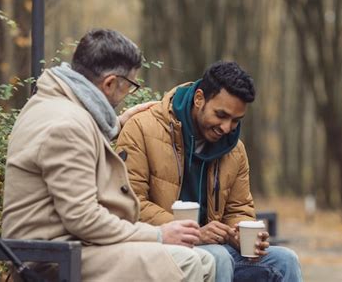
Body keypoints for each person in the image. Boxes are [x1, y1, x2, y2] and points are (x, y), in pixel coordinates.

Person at [1, 29, 216, 281]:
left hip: (67, 246)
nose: (127, 94)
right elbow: (84, 219)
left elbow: (77, 146)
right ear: (110, 83)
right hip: (50, 256)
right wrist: (159, 234)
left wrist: (116, 124)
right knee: (187, 262)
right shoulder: (66, 125)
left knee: (205, 260)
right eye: (130, 86)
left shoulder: (54, 104)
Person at [117, 61, 303, 282]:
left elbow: (239, 208)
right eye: (221, 115)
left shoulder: (235, 150)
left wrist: (238, 233)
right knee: (218, 257)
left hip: (213, 247)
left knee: (284, 260)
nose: (227, 127)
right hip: (159, 244)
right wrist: (196, 232)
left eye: (235, 120)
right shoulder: (142, 128)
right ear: (199, 99)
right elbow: (130, 203)